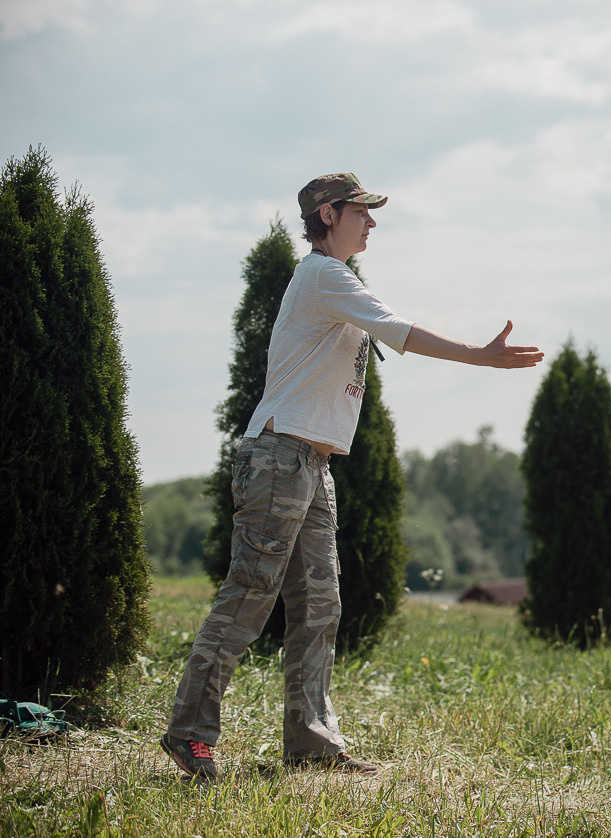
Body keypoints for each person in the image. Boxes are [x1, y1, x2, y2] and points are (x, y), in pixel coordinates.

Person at [161, 173, 543, 781]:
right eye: (362, 211)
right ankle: (190, 732)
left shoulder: (334, 279)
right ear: (329, 214)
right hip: (279, 460)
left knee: (319, 607)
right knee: (249, 598)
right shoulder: (323, 275)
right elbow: (401, 332)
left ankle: (311, 741)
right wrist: (480, 355)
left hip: (310, 466)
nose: (372, 222)